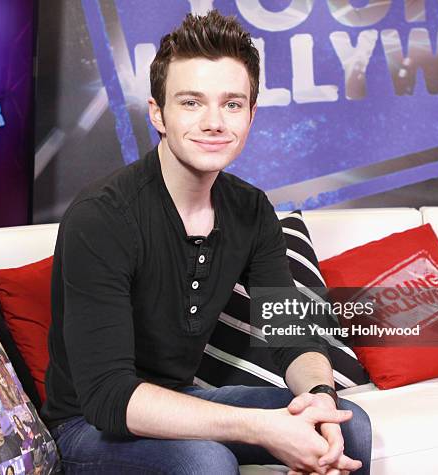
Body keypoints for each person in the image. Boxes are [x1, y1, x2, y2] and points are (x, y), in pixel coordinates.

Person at [42, 10, 371, 475]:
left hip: (183, 400)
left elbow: (291, 336)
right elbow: (110, 398)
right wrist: (259, 427)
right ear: (158, 113)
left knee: (348, 424)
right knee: (205, 460)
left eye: (232, 104)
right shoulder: (102, 216)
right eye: (192, 102)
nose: (215, 122)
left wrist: (319, 400)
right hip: (88, 427)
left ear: (251, 115)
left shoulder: (252, 210)